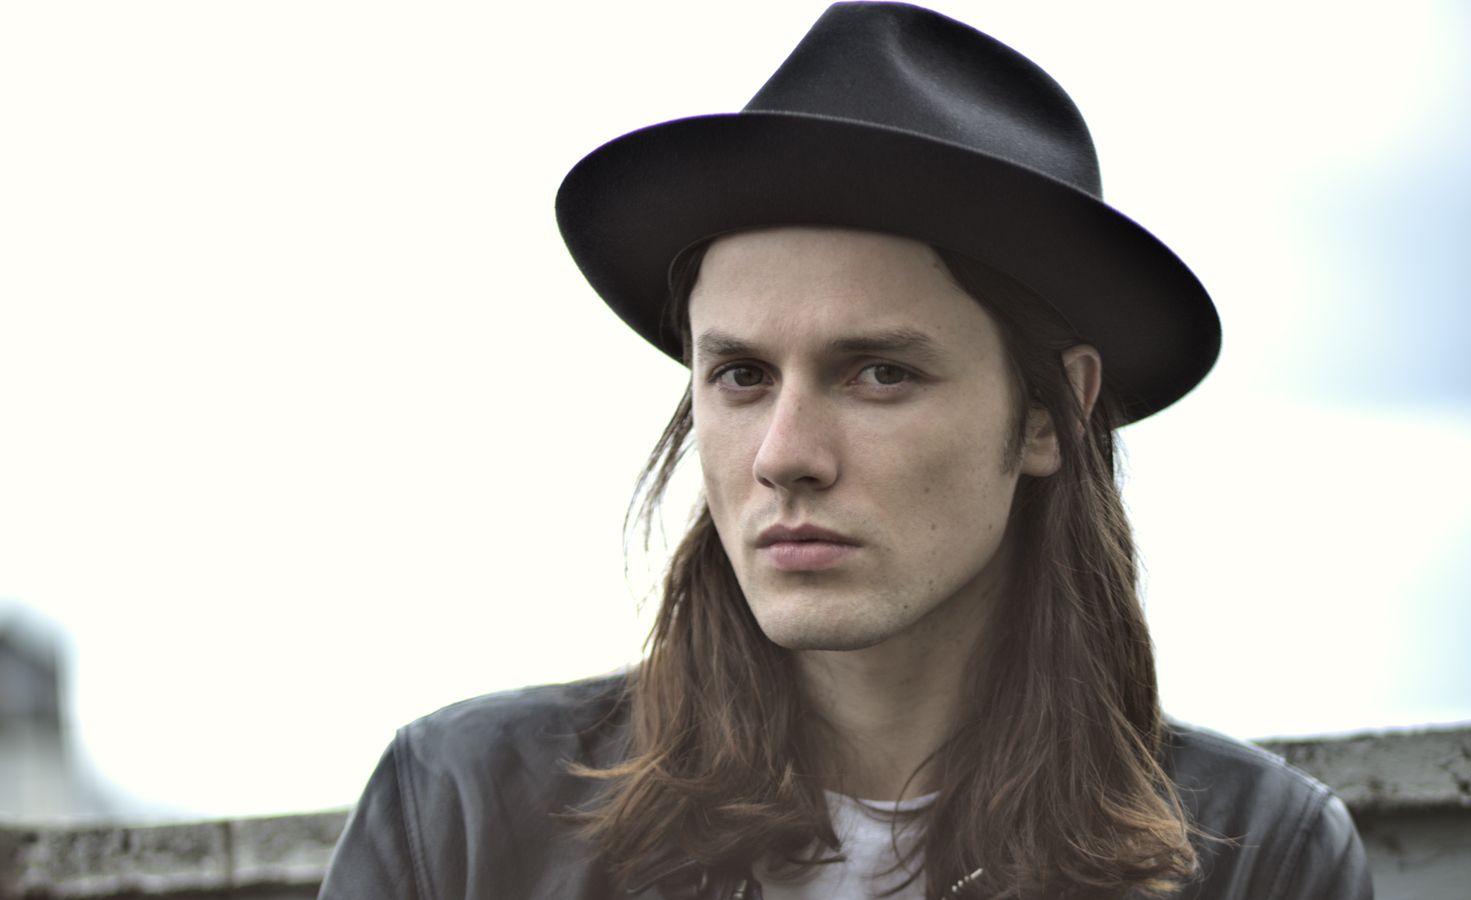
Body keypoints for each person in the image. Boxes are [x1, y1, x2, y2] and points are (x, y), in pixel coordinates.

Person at [319, 3, 1373, 898]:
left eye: (880, 373)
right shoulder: (461, 820)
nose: (785, 456)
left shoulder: (1257, 858)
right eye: (742, 375)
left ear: (1050, 416)